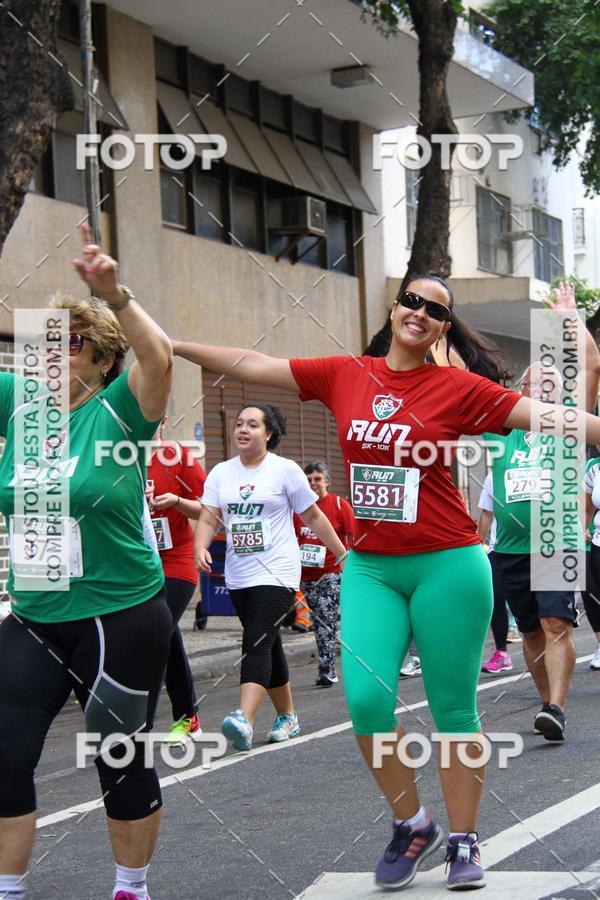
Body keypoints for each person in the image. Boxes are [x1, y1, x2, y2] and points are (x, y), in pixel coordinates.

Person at [173, 273, 600, 890]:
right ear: (396, 308)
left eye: (436, 310)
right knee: (369, 704)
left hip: (448, 564)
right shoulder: (346, 373)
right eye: (412, 300)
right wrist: (171, 344)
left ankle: (464, 840)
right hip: (371, 567)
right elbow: (253, 362)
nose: (420, 312)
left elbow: (557, 418)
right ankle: (413, 824)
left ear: (443, 327)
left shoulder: (458, 387)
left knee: (453, 710)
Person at [0, 225, 173, 900]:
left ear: (101, 359)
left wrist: (114, 294)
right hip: (36, 612)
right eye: (44, 341)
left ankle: (131, 885)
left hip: (119, 613)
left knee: (117, 758)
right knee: (5, 753)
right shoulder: (20, 409)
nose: (50, 353)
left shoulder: (119, 410)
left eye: (69, 343)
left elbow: (159, 358)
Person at [194, 403, 347, 752]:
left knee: (256, 640)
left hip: (278, 571)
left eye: (252, 424)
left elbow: (312, 515)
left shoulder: (284, 470)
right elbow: (208, 517)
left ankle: (244, 719)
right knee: (269, 642)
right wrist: (199, 547)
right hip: (239, 574)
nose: (242, 429)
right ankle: (288, 716)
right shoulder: (221, 473)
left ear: (269, 433)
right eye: (239, 423)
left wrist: (342, 554)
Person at [488, 282, 600, 742]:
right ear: (523, 391)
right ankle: (546, 704)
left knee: (556, 623)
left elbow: (591, 365)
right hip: (510, 548)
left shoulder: (569, 427)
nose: (550, 390)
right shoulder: (501, 432)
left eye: (556, 385)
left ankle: (556, 706)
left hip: (559, 540)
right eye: (541, 384)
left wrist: (569, 320)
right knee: (532, 631)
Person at [147, 416, 206, 742]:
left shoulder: (178, 457)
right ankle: (188, 717)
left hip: (177, 560)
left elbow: (210, 510)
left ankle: (138, 726)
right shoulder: (119, 456)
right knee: (167, 637)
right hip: (139, 564)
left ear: (163, 420)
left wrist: (177, 502)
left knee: (154, 634)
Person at [293, 460, 355, 686]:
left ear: (327, 481)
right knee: (312, 622)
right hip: (302, 576)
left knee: (325, 621)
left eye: (317, 479)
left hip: (329, 574)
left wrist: (350, 563)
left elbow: (353, 537)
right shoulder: (297, 509)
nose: (313, 483)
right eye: (309, 480)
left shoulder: (339, 505)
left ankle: (327, 669)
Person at [477, 473, 513, 674]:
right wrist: (478, 543)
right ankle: (502, 653)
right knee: (496, 598)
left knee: (533, 601)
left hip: (533, 549)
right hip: (498, 548)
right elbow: (487, 512)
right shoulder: (493, 476)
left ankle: (545, 647)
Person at [582, 451, 600, 669]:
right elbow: (587, 508)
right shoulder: (593, 467)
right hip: (597, 544)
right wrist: (582, 528)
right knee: (593, 594)